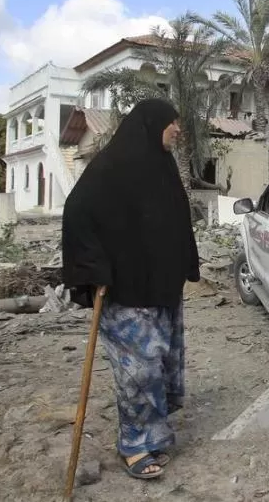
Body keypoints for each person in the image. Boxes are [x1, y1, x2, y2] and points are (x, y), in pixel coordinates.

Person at [61, 98, 199, 480]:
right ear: (151, 123)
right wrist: (94, 269)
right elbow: (76, 213)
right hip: (124, 290)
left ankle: (153, 435)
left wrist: (187, 262)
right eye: (172, 122)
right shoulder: (110, 168)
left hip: (162, 287)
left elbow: (177, 218)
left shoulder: (162, 165)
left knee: (161, 364)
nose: (177, 129)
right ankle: (134, 446)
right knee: (138, 371)